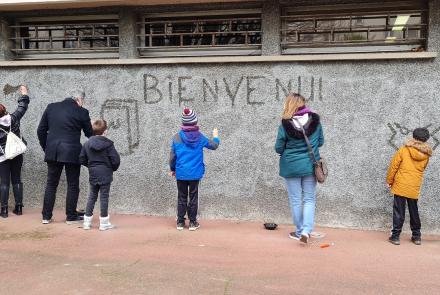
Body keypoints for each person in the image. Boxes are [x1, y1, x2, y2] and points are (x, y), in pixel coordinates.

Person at [37, 89, 93, 224]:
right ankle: (71, 216)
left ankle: (46, 216)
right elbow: (89, 134)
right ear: (79, 100)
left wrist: (47, 147)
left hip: (53, 151)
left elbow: (40, 130)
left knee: (51, 184)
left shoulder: (51, 107)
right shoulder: (82, 112)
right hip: (72, 152)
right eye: (82, 101)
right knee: (73, 184)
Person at [275, 93, 324, 244]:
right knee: (309, 199)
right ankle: (306, 231)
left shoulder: (285, 124)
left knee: (296, 200)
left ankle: (298, 232)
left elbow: (278, 148)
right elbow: (321, 141)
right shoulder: (315, 121)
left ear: (289, 104)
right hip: (310, 164)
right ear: (303, 104)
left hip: (291, 166)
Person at [169, 108, 219, 231]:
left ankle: (180, 222)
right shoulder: (200, 137)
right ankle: (192, 222)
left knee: (181, 196)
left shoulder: (176, 137)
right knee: (193, 196)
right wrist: (216, 136)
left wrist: (172, 169)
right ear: (194, 122)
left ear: (183, 122)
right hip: (195, 173)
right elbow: (214, 145)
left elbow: (172, 156)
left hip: (181, 173)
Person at [386, 128, 432, 246]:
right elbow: (423, 168)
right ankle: (417, 237)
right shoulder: (426, 154)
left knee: (399, 211)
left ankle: (395, 237)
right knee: (414, 211)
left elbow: (394, 166)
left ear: (414, 137)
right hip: (414, 186)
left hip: (401, 185)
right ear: (426, 139)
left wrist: (389, 180)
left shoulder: (404, 150)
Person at [79, 119, 120, 231]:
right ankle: (104, 223)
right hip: (106, 173)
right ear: (105, 131)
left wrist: (91, 166)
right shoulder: (108, 144)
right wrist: (111, 168)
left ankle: (86, 222)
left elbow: (82, 159)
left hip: (93, 173)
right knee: (104, 197)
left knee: (92, 196)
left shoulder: (87, 144)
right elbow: (115, 160)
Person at [0, 86, 30, 218]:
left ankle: (4, 210)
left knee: (5, 182)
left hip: (2, 156)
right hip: (17, 153)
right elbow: (22, 107)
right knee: (17, 178)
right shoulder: (14, 118)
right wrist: (24, 93)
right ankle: (19, 207)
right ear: (5, 110)